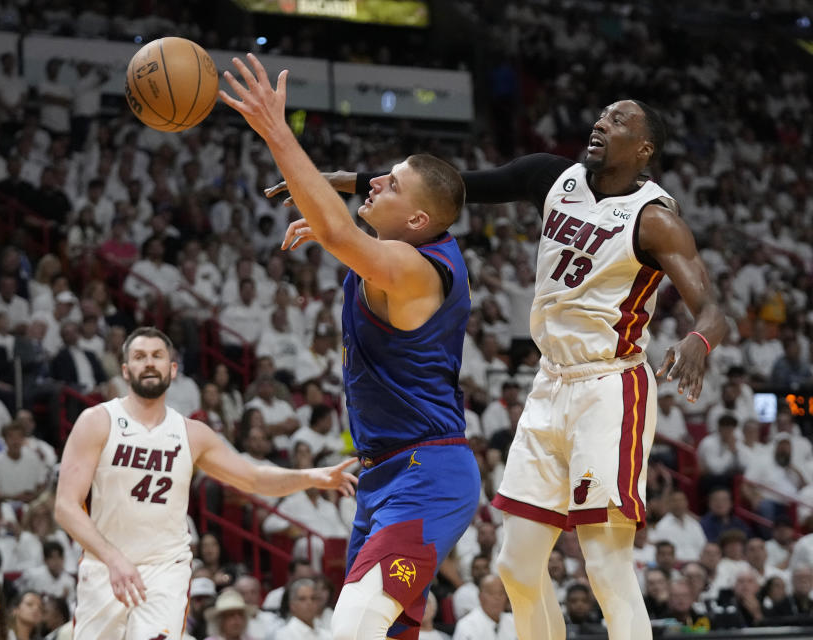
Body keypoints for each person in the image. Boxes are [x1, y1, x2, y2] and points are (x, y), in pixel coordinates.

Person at [268, 97, 727, 640]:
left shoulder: (656, 220)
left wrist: (698, 340)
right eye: (601, 114)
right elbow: (451, 187)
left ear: (644, 148)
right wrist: (341, 181)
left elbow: (713, 308)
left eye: (619, 120)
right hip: (549, 382)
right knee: (515, 567)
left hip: (610, 384)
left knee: (605, 565)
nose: (601, 122)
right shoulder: (553, 177)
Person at [222, 54, 480, 640]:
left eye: (390, 183)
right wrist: (331, 209)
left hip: (427, 474)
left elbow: (340, 232)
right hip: (381, 478)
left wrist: (275, 129)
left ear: (417, 216)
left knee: (354, 626)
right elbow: (344, 232)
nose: (374, 182)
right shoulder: (400, 250)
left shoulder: (415, 269)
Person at [54, 327, 356, 640]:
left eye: (157, 356)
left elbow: (252, 478)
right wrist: (113, 557)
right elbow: (65, 506)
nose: (148, 363)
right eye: (139, 357)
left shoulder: (192, 433)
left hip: (165, 568)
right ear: (125, 370)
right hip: (106, 565)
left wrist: (310, 477)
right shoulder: (97, 420)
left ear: (172, 369)